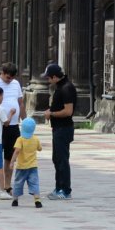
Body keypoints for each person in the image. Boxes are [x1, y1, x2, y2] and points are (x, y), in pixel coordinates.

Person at [0, 62, 26, 188]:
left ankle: (7, 186)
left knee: (10, 157)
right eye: (8, 77)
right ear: (2, 73)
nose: (10, 80)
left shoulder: (16, 84)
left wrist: (25, 121)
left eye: (12, 78)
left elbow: (20, 103)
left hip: (13, 126)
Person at [42, 63, 76, 200]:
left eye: (48, 78)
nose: (47, 80)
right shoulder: (60, 87)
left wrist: (51, 114)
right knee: (56, 159)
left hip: (64, 128)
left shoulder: (66, 88)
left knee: (62, 160)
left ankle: (65, 190)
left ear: (55, 77)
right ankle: (58, 188)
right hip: (58, 128)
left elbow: (68, 111)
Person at [8, 117, 42, 208]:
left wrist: (12, 162)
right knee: (34, 183)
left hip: (21, 167)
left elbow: (17, 151)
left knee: (18, 183)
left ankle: (15, 200)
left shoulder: (20, 139)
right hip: (33, 167)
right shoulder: (36, 139)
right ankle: (37, 200)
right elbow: (40, 148)